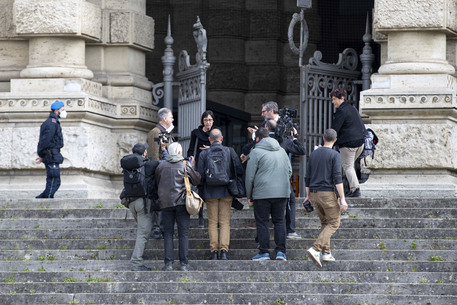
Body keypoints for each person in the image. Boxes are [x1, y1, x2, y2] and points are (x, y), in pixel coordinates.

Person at [245, 127, 292, 261]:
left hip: (262, 194)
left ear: (258, 139)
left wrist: (249, 196)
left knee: (262, 222)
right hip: (282, 193)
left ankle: (264, 252)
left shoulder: (255, 151)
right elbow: (289, 171)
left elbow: (250, 176)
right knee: (279, 222)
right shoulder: (282, 151)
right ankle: (281, 252)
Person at [304, 128, 348, 268]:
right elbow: (337, 179)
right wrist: (343, 199)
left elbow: (307, 177)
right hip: (328, 193)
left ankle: (326, 253)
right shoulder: (335, 155)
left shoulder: (314, 154)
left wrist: (307, 196)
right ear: (335, 140)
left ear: (323, 138)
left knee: (325, 223)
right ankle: (316, 248)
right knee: (334, 223)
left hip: (314, 193)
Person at [198, 129, 244, 260]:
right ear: (221, 138)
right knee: (224, 222)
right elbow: (239, 170)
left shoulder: (204, 154)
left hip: (210, 192)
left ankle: (214, 252)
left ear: (210, 140)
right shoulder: (229, 151)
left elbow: (200, 175)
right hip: (226, 191)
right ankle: (224, 251)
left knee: (212, 222)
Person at [155, 142, 201, 271]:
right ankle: (184, 264)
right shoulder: (186, 165)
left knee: (168, 233)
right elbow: (197, 180)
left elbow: (157, 182)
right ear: (180, 152)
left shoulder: (161, 166)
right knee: (183, 233)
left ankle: (168, 263)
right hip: (182, 202)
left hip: (165, 203)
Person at [264, 119, 305, 240]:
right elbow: (302, 150)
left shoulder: (262, 142)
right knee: (290, 201)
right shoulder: (285, 142)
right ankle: (290, 230)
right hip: (282, 179)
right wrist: (295, 137)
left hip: (265, 179)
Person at [123, 143, 160, 271]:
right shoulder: (148, 164)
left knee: (142, 230)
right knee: (143, 234)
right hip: (143, 203)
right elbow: (163, 164)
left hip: (131, 202)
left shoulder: (127, 165)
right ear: (144, 153)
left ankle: (139, 255)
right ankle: (136, 262)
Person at [330, 88, 365, 198]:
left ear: (342, 98)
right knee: (349, 166)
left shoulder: (341, 111)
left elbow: (334, 130)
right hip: (360, 143)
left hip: (349, 144)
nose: (333, 102)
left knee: (348, 166)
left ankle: (355, 189)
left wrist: (328, 144)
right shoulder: (352, 108)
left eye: (334, 99)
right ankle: (351, 188)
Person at [147, 107, 175, 239]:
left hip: (165, 173)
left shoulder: (165, 133)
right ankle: (156, 228)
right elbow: (154, 156)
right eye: (171, 117)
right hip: (159, 174)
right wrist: (159, 172)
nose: (172, 119)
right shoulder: (155, 132)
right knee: (157, 200)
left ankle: (163, 226)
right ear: (164, 119)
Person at [187, 110, 217, 228]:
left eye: (210, 120)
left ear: (213, 120)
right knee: (200, 190)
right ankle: (200, 216)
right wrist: (191, 160)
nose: (207, 122)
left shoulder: (216, 132)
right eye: (205, 120)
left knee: (212, 190)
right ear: (202, 121)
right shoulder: (196, 132)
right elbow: (190, 149)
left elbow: (221, 146)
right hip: (200, 162)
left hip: (213, 162)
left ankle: (214, 218)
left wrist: (211, 147)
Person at [35, 100, 67, 199]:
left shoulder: (53, 122)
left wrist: (41, 155)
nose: (64, 112)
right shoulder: (52, 123)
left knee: (55, 180)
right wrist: (41, 155)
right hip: (51, 154)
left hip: (53, 154)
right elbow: (45, 140)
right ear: (57, 110)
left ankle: (44, 197)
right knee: (54, 179)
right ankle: (47, 200)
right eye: (63, 109)